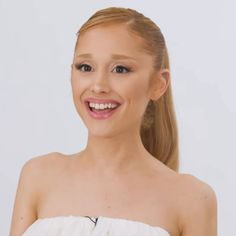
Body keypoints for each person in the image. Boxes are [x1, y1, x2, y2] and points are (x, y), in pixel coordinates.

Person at [9, 7, 217, 236]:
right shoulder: (38, 176)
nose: (98, 85)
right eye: (85, 67)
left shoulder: (192, 200)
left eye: (120, 69)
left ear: (159, 83)